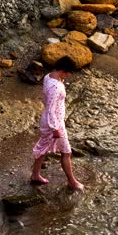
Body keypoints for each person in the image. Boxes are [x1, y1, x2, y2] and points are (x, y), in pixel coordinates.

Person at [31, 57, 84, 191]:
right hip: (54, 125)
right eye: (69, 72)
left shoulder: (49, 77)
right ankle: (72, 181)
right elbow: (50, 109)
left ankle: (35, 175)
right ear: (64, 70)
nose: (70, 75)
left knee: (44, 150)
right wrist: (55, 129)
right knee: (66, 152)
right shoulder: (55, 87)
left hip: (52, 122)